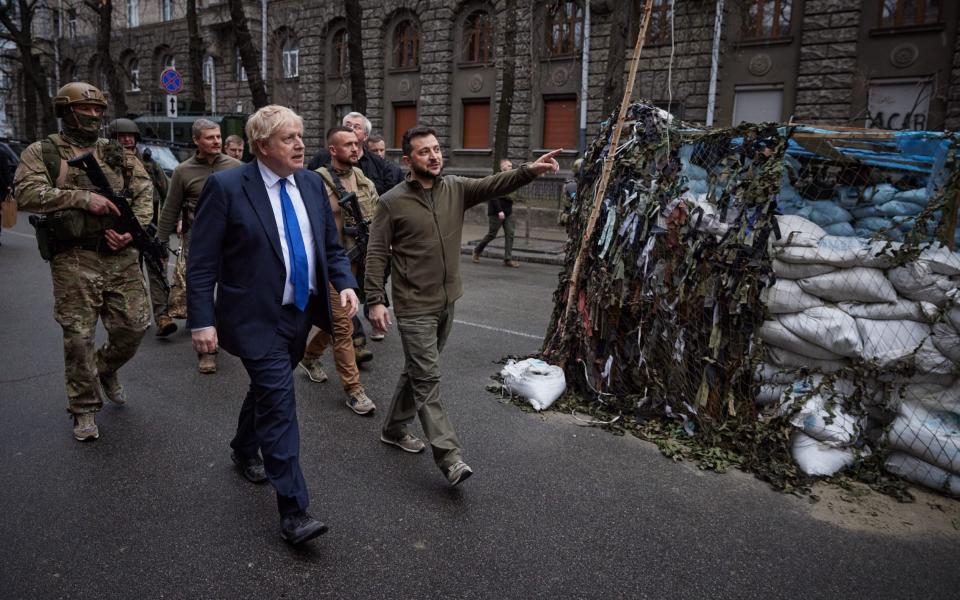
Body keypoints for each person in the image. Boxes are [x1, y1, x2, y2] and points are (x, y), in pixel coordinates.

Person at [187, 105, 359, 546]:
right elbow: (202, 262)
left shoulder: (311, 183)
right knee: (281, 404)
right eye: (289, 138)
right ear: (262, 146)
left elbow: (331, 248)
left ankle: (244, 448)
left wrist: (344, 284)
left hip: (299, 313)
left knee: (267, 389)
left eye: (302, 135)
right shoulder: (226, 187)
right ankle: (294, 511)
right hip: (253, 317)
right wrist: (201, 321)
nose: (301, 145)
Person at [365, 126, 560, 485]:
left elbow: (493, 185)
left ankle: (393, 429)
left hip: (446, 301)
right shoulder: (392, 201)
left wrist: (529, 171)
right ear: (408, 161)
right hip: (413, 306)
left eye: (437, 149)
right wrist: (375, 300)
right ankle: (450, 456)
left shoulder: (454, 188)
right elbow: (376, 253)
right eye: (424, 152)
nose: (434, 156)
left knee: (417, 371)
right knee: (427, 377)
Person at [13, 82, 153, 441]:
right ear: (66, 112)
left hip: (120, 255)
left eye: (97, 111)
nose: (93, 116)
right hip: (74, 257)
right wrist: (80, 198)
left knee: (134, 327)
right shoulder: (44, 151)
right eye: (85, 110)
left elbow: (143, 193)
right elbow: (25, 193)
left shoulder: (116, 152)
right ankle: (84, 409)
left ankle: (104, 368)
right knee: (78, 336)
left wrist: (131, 232)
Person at [298, 126, 378, 415]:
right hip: (329, 266)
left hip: (356, 265)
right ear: (333, 150)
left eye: (357, 144)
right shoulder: (315, 181)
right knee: (344, 326)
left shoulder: (364, 181)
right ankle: (354, 390)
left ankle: (309, 356)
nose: (355, 149)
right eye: (347, 145)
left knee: (336, 318)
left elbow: (377, 219)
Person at [157, 119, 242, 373]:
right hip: (199, 241)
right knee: (200, 292)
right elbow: (170, 209)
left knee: (232, 291)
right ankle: (207, 352)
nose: (216, 141)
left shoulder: (237, 167)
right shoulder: (184, 171)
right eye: (209, 138)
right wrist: (161, 242)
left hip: (233, 241)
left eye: (218, 137)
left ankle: (225, 335)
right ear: (196, 141)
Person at [108, 118, 176, 336]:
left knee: (157, 271)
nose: (127, 141)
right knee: (129, 275)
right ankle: (136, 315)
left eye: (131, 137)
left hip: (150, 227)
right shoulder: (107, 166)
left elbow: (169, 192)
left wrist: (172, 220)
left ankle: (163, 316)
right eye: (122, 137)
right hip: (120, 229)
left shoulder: (149, 164)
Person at [307, 112, 403, 196]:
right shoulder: (321, 158)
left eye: (357, 127)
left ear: (365, 136)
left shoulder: (380, 164)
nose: (351, 130)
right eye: (348, 126)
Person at [471, 158, 520, 268]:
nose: (511, 168)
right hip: (496, 212)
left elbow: (513, 196)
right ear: (502, 168)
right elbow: (493, 196)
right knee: (492, 234)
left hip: (508, 212)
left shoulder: (512, 179)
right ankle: (477, 250)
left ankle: (507, 259)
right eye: (508, 166)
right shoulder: (497, 179)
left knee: (510, 234)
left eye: (511, 166)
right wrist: (499, 211)